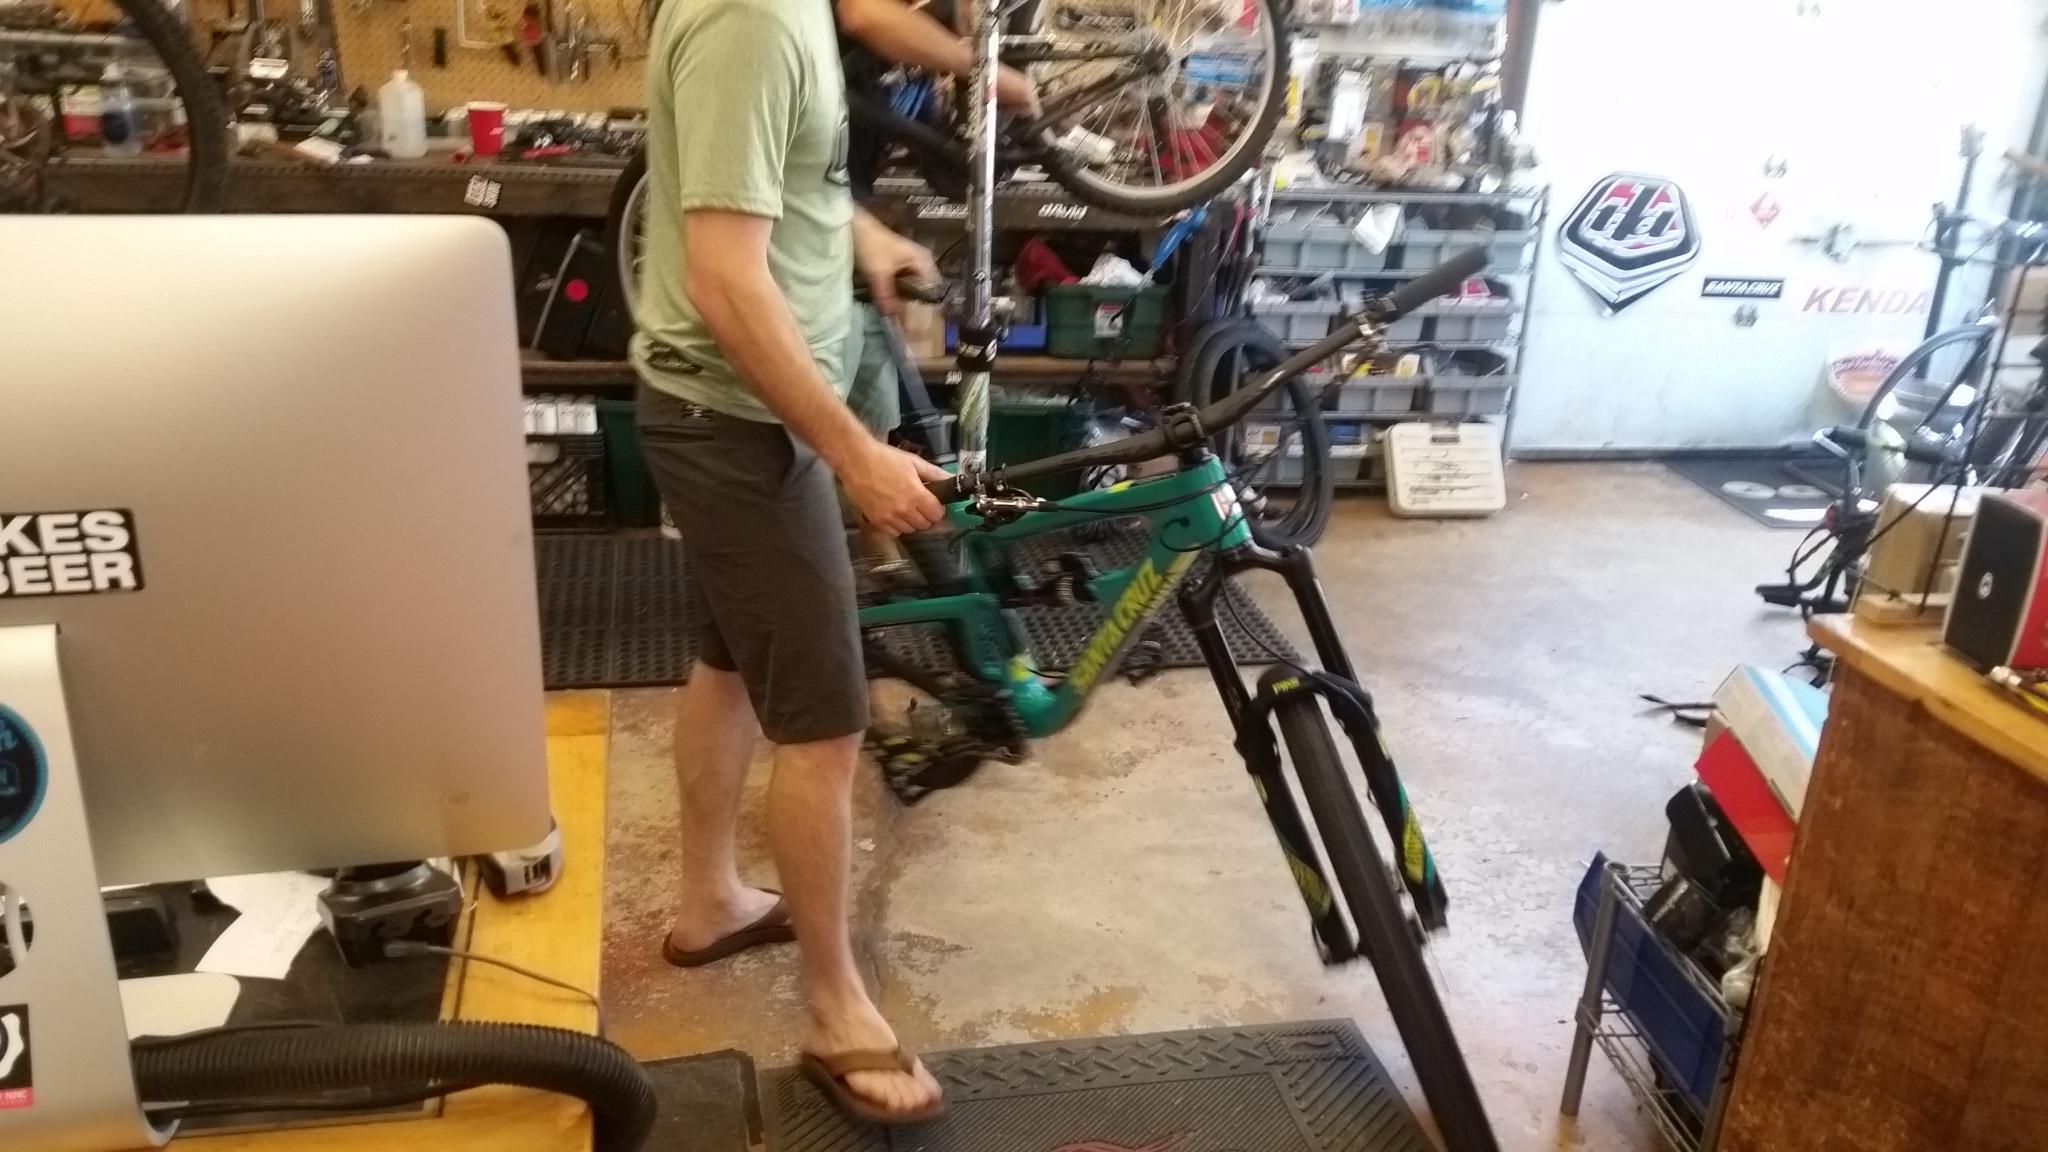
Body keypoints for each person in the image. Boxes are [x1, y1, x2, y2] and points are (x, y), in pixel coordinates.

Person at [629, 0, 1034, 1127]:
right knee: (824, 723)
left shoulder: (796, 11)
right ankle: (833, 1006)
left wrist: (867, 240)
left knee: (727, 665)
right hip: (741, 424)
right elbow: (721, 274)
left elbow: (778, 184)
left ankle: (710, 899)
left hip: (737, 412)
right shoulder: (754, 19)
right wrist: (849, 450)